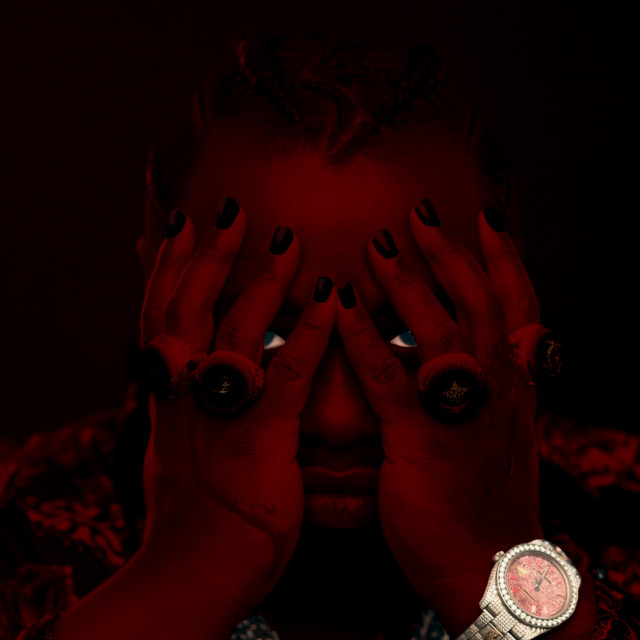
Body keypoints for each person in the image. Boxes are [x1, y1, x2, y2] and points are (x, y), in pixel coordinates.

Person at [2, 30, 639, 640]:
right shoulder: (14, 511)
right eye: (264, 337)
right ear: (157, 285)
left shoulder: (625, 500)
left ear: (507, 291)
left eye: (411, 335)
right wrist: (187, 577)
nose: (338, 421)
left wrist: (490, 568)